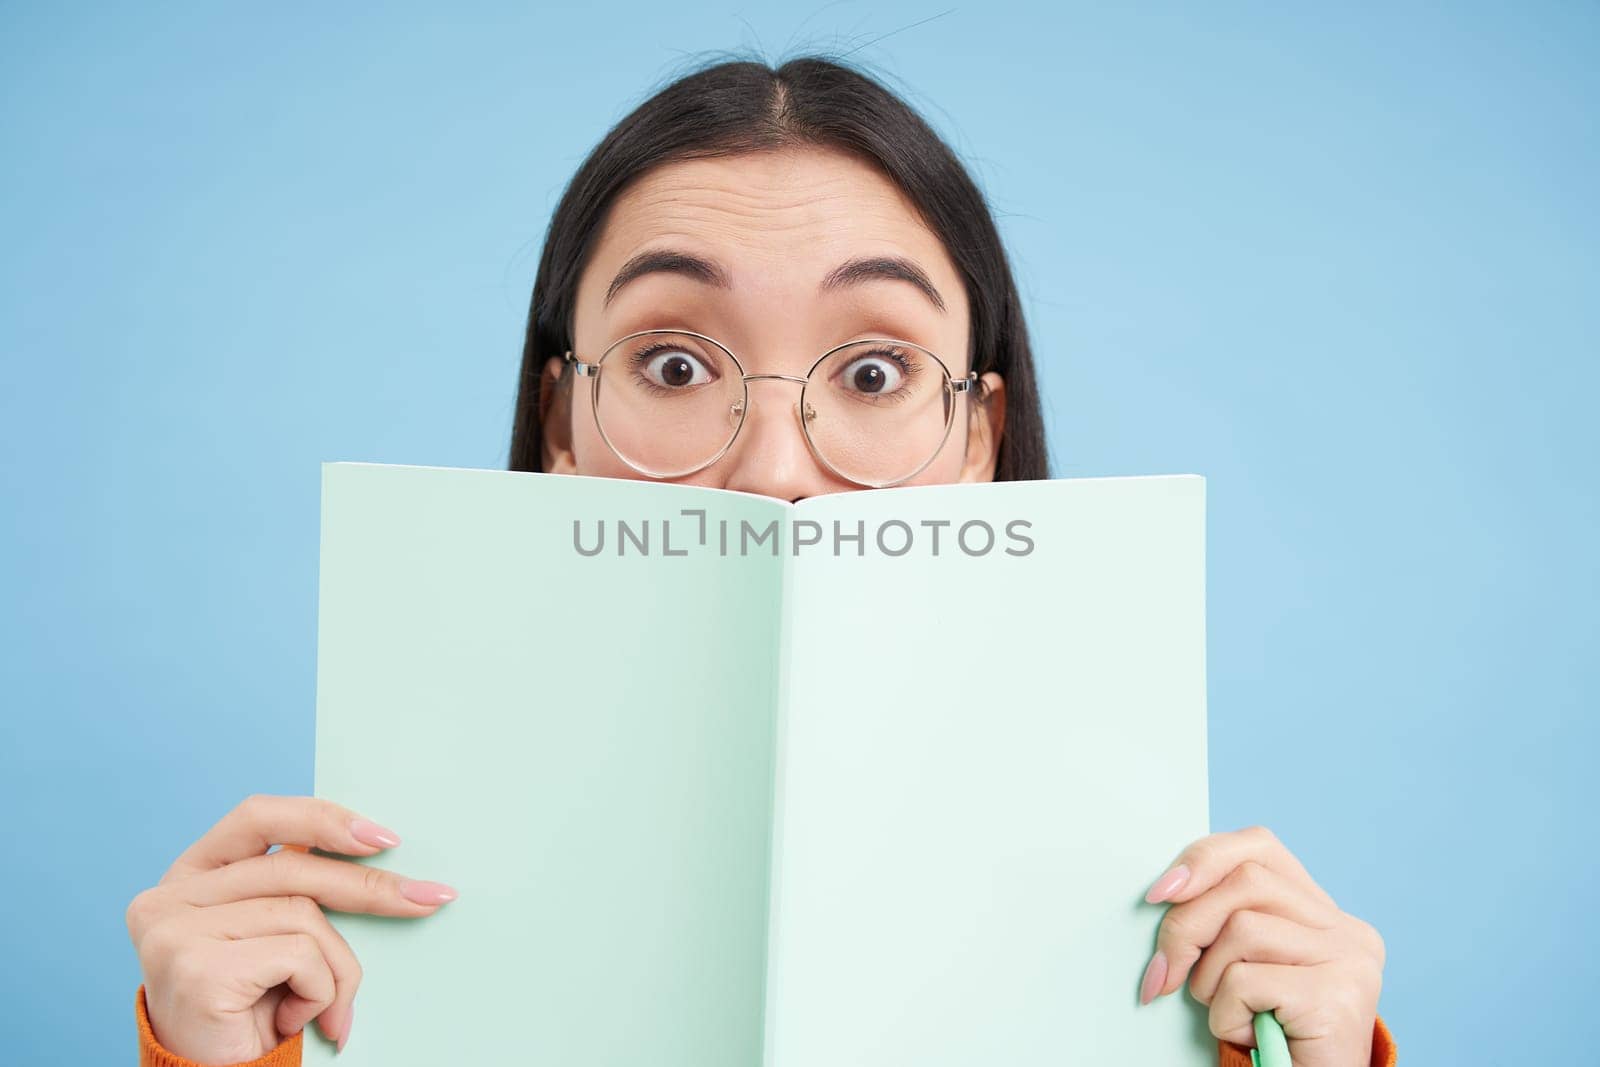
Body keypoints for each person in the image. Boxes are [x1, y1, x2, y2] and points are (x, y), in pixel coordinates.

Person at [126, 54, 1395, 1067]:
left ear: (977, 436)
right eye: (674, 365)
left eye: (875, 369)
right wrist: (214, 1063)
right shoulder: (315, 987)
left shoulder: (1187, 984)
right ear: (561, 420)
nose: (777, 469)